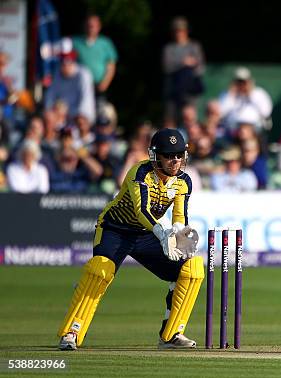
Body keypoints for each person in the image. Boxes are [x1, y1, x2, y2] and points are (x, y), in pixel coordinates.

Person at [57, 129, 201, 350]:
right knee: (100, 270)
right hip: (115, 228)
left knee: (192, 269)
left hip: (145, 235)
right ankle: (71, 332)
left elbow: (179, 215)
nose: (175, 161)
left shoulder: (183, 181)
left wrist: (179, 234)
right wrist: (162, 233)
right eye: (169, 155)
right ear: (156, 156)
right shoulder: (140, 173)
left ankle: (172, 334)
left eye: (179, 155)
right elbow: (141, 210)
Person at [72, 14, 118, 119]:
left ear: (99, 27)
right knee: (81, 114)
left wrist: (105, 83)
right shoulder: (75, 42)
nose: (90, 28)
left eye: (93, 25)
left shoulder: (105, 43)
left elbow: (111, 65)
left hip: (99, 86)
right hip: (80, 86)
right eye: (88, 25)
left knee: (100, 114)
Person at [163, 17, 205, 122]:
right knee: (171, 119)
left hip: (190, 90)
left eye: (181, 30)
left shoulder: (194, 46)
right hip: (173, 90)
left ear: (186, 31)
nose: (179, 33)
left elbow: (201, 67)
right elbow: (166, 67)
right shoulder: (169, 48)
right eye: (176, 31)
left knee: (190, 118)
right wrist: (183, 63)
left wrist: (191, 66)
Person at [44, 48, 96, 124]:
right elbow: (50, 96)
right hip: (61, 115)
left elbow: (86, 100)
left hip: (80, 115)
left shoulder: (83, 74)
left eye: (68, 63)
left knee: (81, 119)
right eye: (63, 64)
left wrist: (72, 114)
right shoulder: (57, 73)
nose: (66, 66)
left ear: (73, 62)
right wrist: (49, 110)